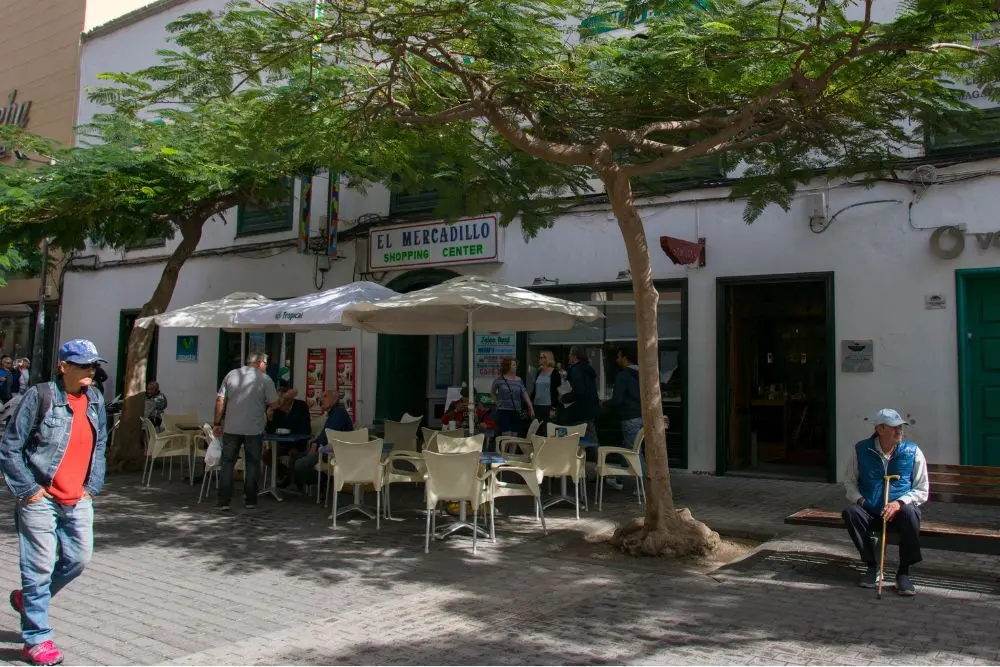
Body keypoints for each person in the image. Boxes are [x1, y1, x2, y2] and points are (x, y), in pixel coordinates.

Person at [0, 339, 108, 666]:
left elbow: (100, 444)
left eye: (93, 365)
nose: (91, 371)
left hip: (77, 497)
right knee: (40, 567)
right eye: (83, 365)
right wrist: (29, 489)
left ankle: (28, 599)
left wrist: (92, 485)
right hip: (40, 496)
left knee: (78, 559)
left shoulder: (95, 400)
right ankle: (37, 638)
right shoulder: (40, 396)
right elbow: (10, 448)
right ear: (64, 366)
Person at [842, 408, 929, 596]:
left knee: (911, 514)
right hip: (871, 508)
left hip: (899, 512)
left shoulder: (912, 451)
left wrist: (899, 503)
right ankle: (873, 566)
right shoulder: (862, 450)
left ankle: (904, 573)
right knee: (851, 513)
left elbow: (922, 489)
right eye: (893, 427)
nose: (899, 431)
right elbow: (849, 480)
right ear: (879, 429)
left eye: (901, 427)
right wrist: (860, 499)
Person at [213, 352, 280, 511]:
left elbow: (220, 399)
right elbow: (275, 404)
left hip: (231, 428)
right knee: (252, 464)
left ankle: (224, 501)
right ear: (260, 363)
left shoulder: (231, 374)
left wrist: (216, 422)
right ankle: (250, 499)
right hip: (253, 429)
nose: (266, 366)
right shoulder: (265, 379)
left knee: (228, 463)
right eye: (266, 363)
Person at [292, 390, 353, 490]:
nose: (321, 399)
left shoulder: (338, 413)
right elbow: (324, 434)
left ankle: (323, 481)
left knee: (300, 464)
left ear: (335, 399)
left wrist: (315, 445)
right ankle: (298, 486)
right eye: (321, 397)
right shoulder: (332, 413)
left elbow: (328, 434)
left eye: (325, 396)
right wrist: (314, 443)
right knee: (295, 456)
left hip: (335, 453)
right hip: (327, 450)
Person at [602, 345, 643, 491]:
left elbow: (617, 400)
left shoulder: (622, 376)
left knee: (634, 452)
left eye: (619, 356)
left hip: (629, 417)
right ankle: (619, 480)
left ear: (625, 358)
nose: (617, 359)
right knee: (628, 447)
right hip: (641, 415)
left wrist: (604, 404)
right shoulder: (641, 374)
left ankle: (643, 487)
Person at [266, 384, 311, 488]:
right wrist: (270, 418)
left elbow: (305, 429)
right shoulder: (276, 410)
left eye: (282, 400)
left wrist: (291, 433)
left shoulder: (301, 406)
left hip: (298, 442)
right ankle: (286, 474)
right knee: (267, 455)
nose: (280, 404)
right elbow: (270, 431)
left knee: (293, 454)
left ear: (289, 400)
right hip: (282, 442)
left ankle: (293, 482)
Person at [560, 346, 600, 439]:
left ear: (575, 356)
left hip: (579, 412)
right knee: (590, 438)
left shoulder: (576, 370)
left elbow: (579, 390)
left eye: (570, 354)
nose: (568, 357)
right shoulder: (587, 368)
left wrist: (564, 398)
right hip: (590, 410)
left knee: (583, 441)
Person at [490, 357, 533, 437]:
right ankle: (504, 450)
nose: (515, 366)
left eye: (515, 364)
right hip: (503, 410)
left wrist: (530, 407)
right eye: (513, 364)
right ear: (508, 366)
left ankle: (511, 450)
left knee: (514, 434)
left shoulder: (519, 380)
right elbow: (492, 392)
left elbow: (524, 394)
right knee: (507, 434)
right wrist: (497, 402)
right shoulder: (499, 380)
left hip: (516, 410)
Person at [530, 350, 562, 434]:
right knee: (537, 431)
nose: (540, 359)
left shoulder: (554, 373)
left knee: (548, 430)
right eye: (540, 357)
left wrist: (553, 408)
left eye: (542, 357)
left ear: (547, 359)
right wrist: (530, 406)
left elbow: (557, 392)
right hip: (537, 406)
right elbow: (535, 390)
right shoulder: (539, 372)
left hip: (548, 406)